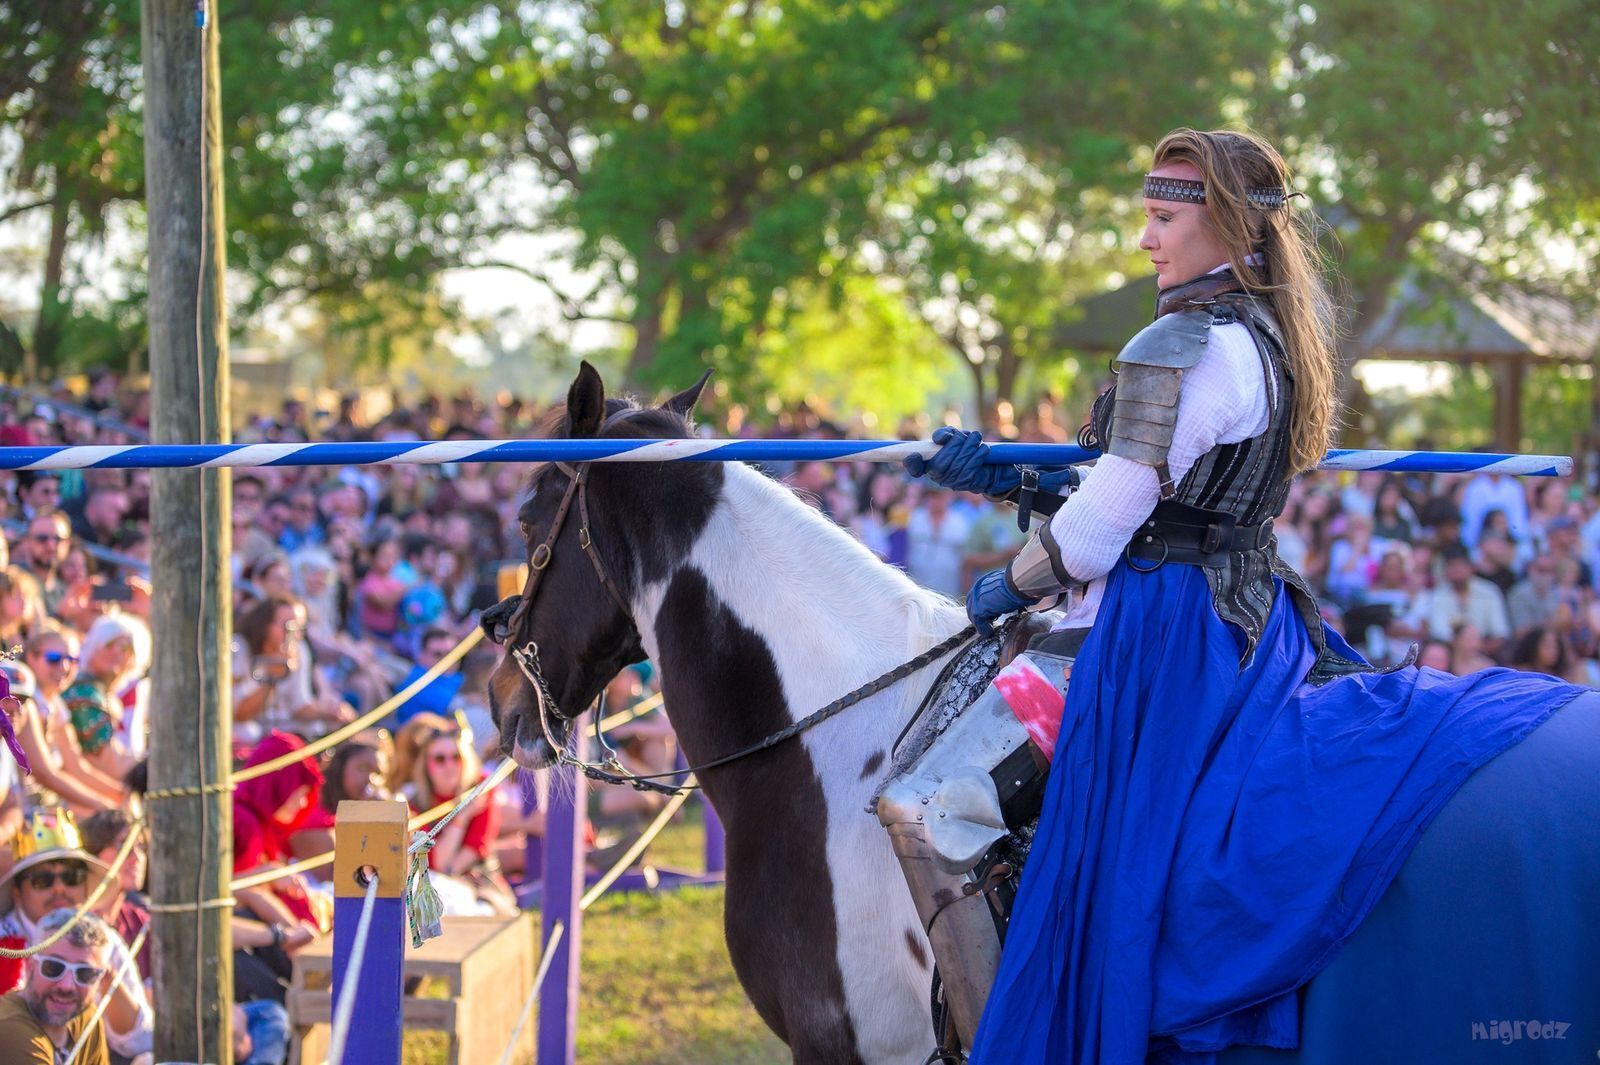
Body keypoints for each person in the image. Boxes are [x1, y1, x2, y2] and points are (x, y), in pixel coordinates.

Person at [899, 127, 1584, 1063]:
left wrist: (1000, 585)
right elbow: (1154, 500)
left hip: (1157, 633)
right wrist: (1002, 481)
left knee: (927, 808)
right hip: (1236, 612)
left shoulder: (1186, 347)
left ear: (1223, 223)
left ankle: (1006, 1035)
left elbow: (1098, 535)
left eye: (1162, 216)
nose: (1146, 238)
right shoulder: (1264, 338)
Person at [0, 810, 152, 1061]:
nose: (60, 888)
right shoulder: (3, 944)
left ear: (85, 885)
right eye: (43, 880)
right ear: (17, 891)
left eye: (72, 877)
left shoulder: (104, 941)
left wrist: (101, 977)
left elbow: (141, 1040)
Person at [0, 908, 115, 1065]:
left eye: (85, 973)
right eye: (53, 967)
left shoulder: (86, 1015)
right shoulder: (10, 1030)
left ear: (101, 980)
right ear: (30, 966)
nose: (67, 986)